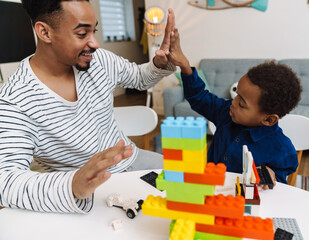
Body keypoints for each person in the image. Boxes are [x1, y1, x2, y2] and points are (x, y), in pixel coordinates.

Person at [0, 0, 178, 213]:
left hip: (134, 160)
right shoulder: (15, 100)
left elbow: (139, 78)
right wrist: (73, 185)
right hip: (85, 190)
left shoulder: (98, 60)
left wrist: (160, 62)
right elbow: (6, 181)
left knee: (192, 187)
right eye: (82, 34)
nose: (95, 43)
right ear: (44, 32)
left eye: (94, 31)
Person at [167, 29, 302, 188]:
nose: (233, 102)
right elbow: (200, 98)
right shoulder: (226, 112)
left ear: (268, 119)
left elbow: (284, 173)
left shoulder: (280, 147)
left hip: (243, 203)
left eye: (242, 104)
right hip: (210, 190)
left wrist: (272, 173)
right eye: (236, 95)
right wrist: (184, 66)